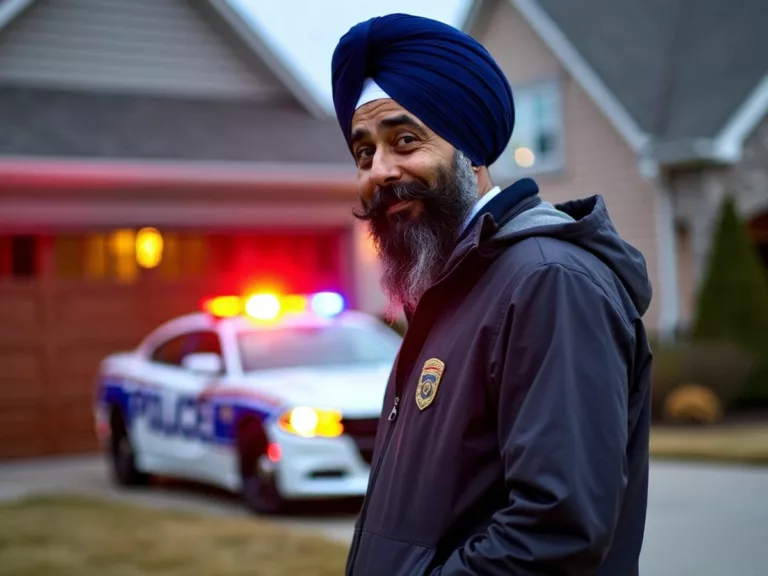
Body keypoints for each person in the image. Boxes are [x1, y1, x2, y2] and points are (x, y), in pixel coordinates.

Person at [331, 13, 653, 576]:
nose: (380, 171)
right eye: (364, 154)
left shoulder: (547, 284)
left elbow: (554, 532)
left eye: (405, 141)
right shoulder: (452, 291)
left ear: (473, 152)